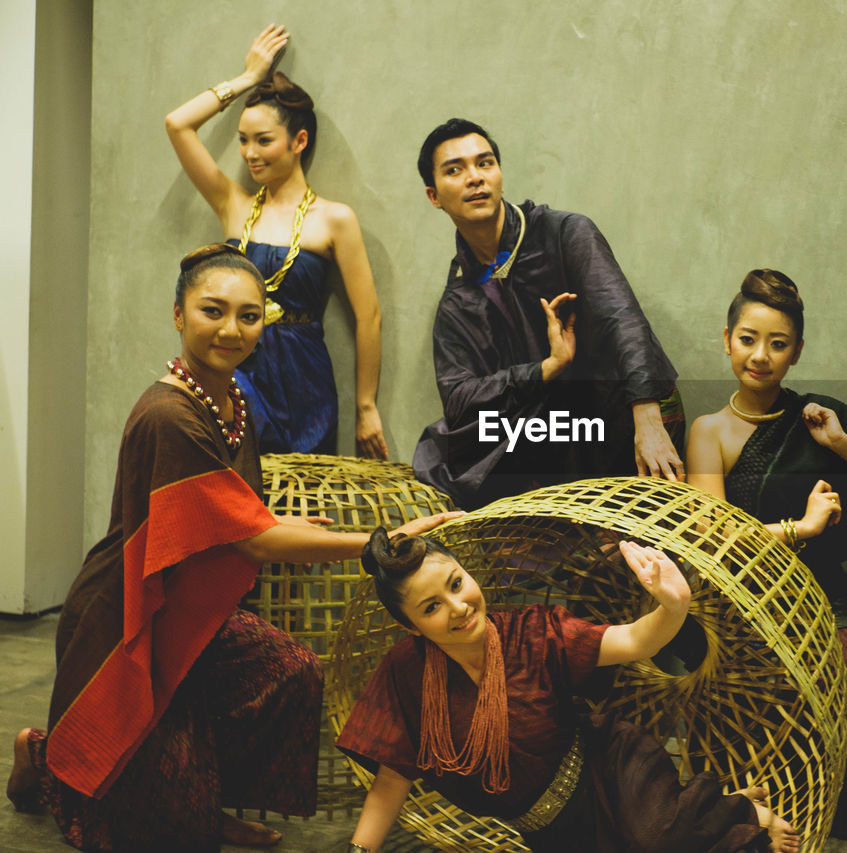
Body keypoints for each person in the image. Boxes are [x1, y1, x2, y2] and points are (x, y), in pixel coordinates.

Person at [5, 244, 456, 852]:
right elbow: (255, 538)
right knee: (153, 831)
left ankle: (204, 799)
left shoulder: (232, 401)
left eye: (249, 315)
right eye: (212, 311)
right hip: (132, 607)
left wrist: (279, 517)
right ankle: (41, 754)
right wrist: (376, 542)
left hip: (192, 601)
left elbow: (222, 508)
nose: (231, 329)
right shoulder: (170, 414)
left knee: (290, 671)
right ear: (177, 315)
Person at [336, 529, 800, 853]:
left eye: (457, 583)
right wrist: (360, 851)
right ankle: (704, 810)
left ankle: (743, 812)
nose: (459, 607)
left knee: (657, 839)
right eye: (432, 606)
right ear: (409, 625)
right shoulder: (404, 673)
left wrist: (673, 608)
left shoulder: (533, 632)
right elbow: (392, 778)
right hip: (552, 830)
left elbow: (634, 640)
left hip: (608, 769)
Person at [686, 269, 847, 841]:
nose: (761, 356)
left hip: (822, 590)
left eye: (778, 344)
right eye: (748, 339)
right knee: (738, 678)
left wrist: (842, 443)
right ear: (727, 337)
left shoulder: (817, 418)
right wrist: (800, 527)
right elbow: (715, 543)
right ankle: (749, 810)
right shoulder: (708, 431)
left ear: (797, 352)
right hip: (742, 600)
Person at [411, 118, 683, 509]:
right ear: (434, 196)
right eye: (455, 170)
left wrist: (648, 418)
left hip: (626, 409)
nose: (474, 178)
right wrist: (544, 370)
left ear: (500, 175)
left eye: (485, 163)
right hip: (557, 428)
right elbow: (457, 398)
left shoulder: (567, 233)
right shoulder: (457, 299)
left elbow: (622, 319)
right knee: (440, 454)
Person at [166, 25, 387, 458]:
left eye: (263, 140)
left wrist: (366, 407)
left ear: (298, 141)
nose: (250, 153)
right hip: (236, 360)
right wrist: (248, 78)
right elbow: (178, 124)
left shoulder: (334, 219)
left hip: (305, 372)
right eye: (243, 141)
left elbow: (370, 317)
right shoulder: (234, 203)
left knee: (305, 492)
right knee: (239, 482)